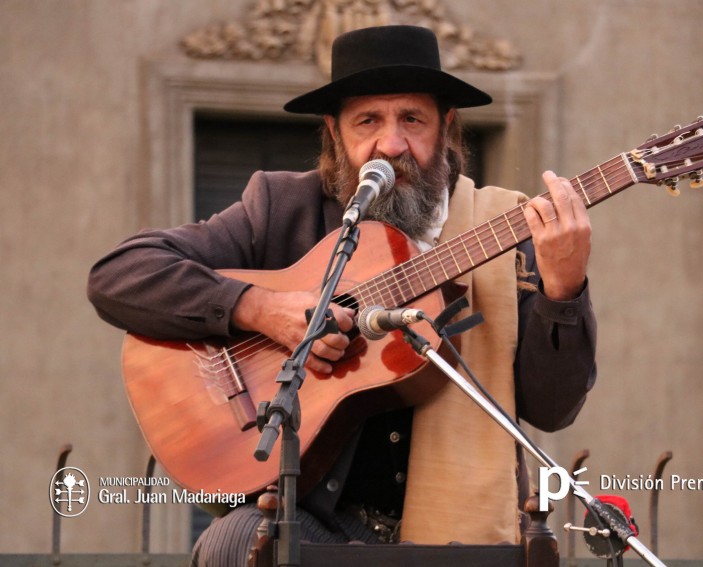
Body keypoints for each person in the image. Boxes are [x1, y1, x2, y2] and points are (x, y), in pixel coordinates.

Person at [88, 24, 596, 566]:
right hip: (318, 522)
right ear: (335, 134)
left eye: (413, 120)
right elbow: (119, 273)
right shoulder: (283, 207)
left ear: (447, 129)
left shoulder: (506, 230)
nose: (391, 144)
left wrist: (563, 290)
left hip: (462, 535)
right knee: (234, 543)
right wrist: (261, 309)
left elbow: (553, 408)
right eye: (368, 121)